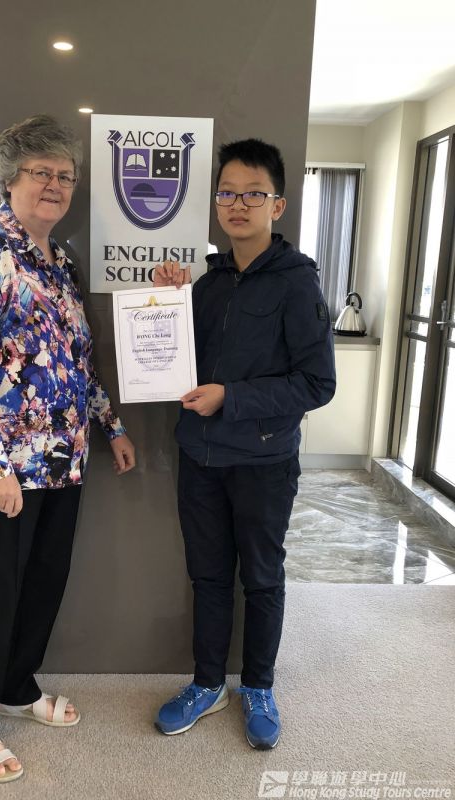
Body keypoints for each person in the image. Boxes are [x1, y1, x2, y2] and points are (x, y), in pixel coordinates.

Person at [0, 114, 135, 783]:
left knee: (41, 588)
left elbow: (76, 361)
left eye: (65, 176)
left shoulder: (59, 261)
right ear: (10, 178)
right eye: (41, 172)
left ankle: (16, 687)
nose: (55, 185)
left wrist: (110, 426)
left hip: (61, 462)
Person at [152, 139, 335, 749]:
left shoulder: (297, 282)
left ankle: (258, 686)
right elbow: (179, 362)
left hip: (263, 461)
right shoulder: (208, 284)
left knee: (261, 578)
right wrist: (168, 300)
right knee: (207, 578)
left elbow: (317, 383)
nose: (237, 204)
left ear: (276, 206)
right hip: (199, 458)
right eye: (227, 192)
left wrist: (231, 398)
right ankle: (208, 684)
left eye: (253, 194)